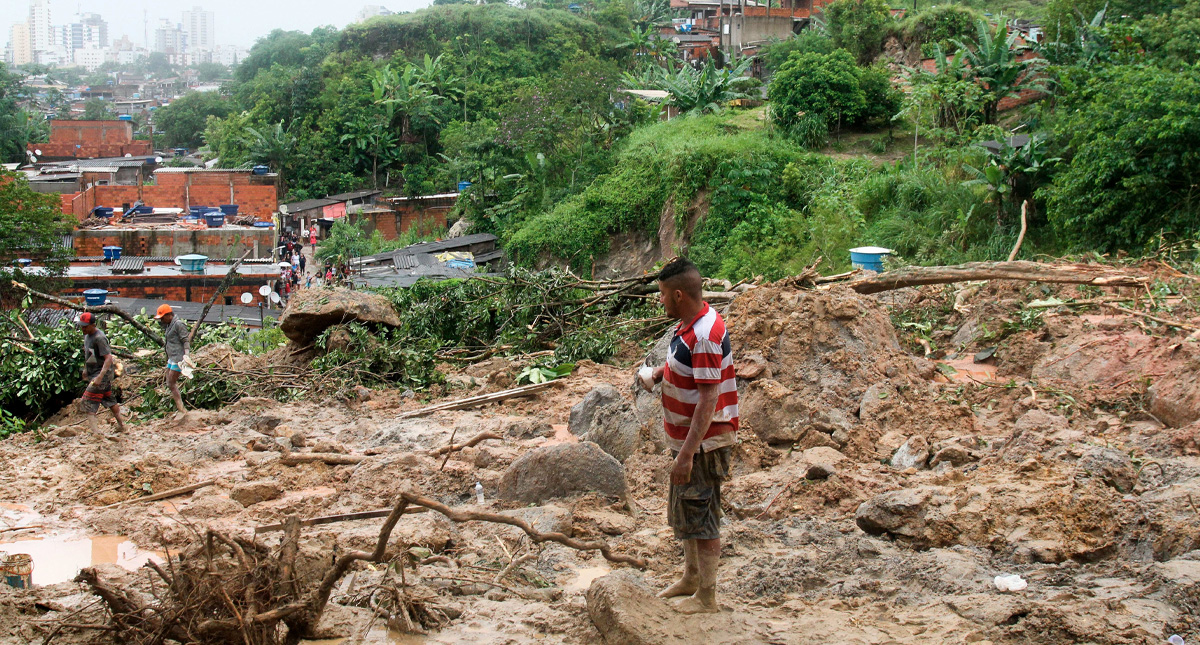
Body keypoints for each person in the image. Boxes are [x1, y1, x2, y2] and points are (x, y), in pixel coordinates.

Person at [638, 257, 738, 615]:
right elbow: (693, 372)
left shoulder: (706, 335)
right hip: (690, 442)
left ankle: (707, 596)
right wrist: (661, 373)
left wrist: (687, 454)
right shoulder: (689, 326)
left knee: (703, 511)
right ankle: (691, 577)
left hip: (705, 443)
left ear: (679, 294)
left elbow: (709, 398)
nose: (660, 300)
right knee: (690, 509)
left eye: (663, 294)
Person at [76, 312, 127, 434]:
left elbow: (108, 358)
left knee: (87, 402)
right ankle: (122, 426)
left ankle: (95, 432)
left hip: (101, 376)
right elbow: (90, 354)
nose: (83, 328)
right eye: (81, 326)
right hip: (94, 373)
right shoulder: (87, 336)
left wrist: (100, 377)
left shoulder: (99, 338)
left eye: (85, 326)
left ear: (93, 325)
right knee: (109, 400)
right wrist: (85, 369)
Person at [154, 304, 190, 416]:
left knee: (171, 383)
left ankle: (182, 409)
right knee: (168, 382)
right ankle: (180, 408)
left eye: (162, 317)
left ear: (169, 315)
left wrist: (186, 355)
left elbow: (186, 340)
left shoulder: (178, 324)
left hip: (178, 358)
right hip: (171, 357)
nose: (161, 320)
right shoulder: (169, 325)